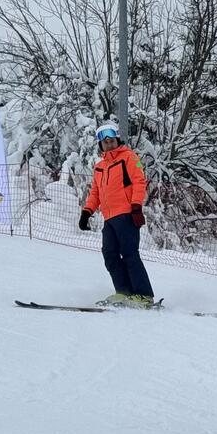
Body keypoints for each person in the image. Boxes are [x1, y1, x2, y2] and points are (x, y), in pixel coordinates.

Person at [78, 122, 154, 307]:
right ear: (100, 145)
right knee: (109, 254)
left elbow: (139, 181)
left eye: (112, 140)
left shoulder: (128, 157)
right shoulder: (99, 167)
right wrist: (86, 212)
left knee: (129, 253)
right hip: (109, 218)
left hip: (127, 214)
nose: (109, 144)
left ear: (117, 140)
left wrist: (136, 206)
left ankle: (144, 295)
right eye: (105, 142)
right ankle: (124, 292)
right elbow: (95, 193)